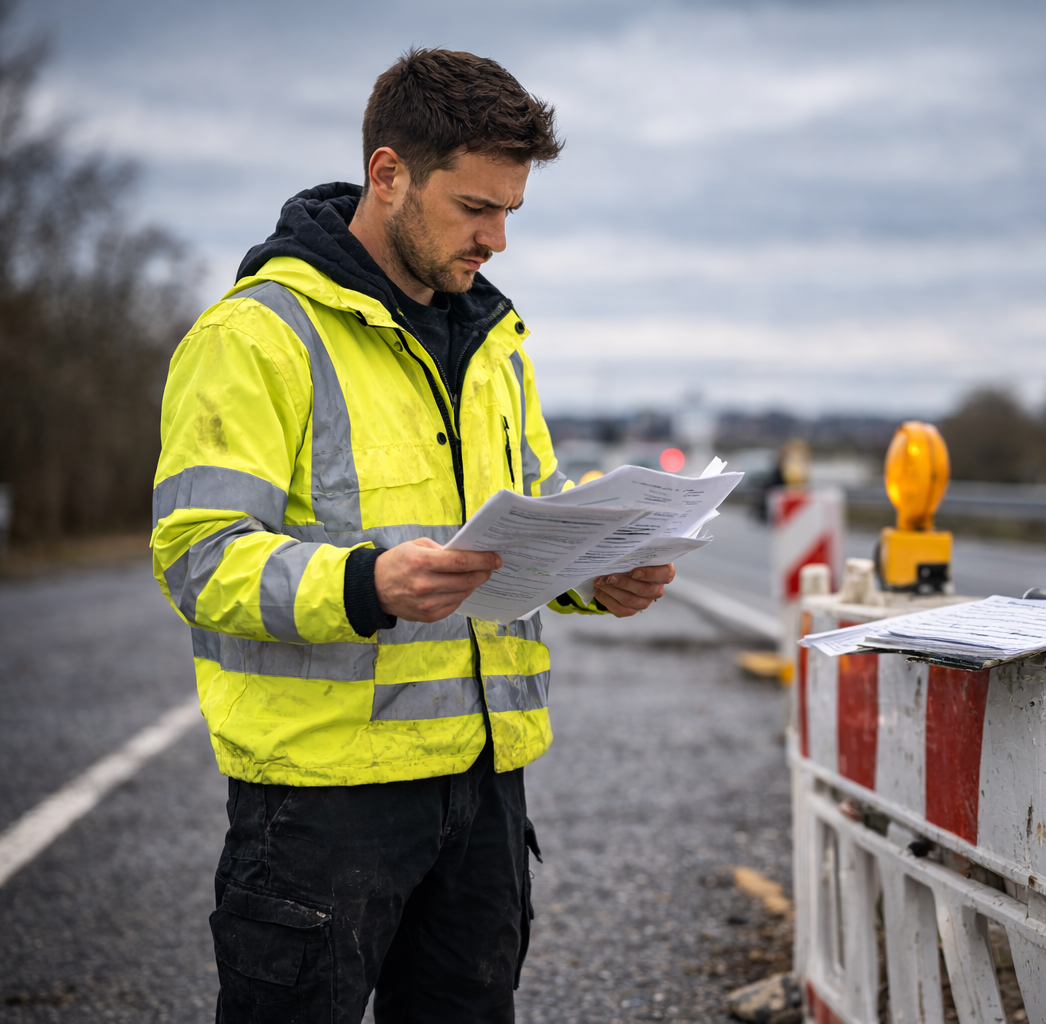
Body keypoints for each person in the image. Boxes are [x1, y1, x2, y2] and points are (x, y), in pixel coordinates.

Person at [150, 48, 672, 1023]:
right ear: (388, 175)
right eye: (478, 208)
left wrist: (594, 574)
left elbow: (528, 507)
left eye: (512, 210)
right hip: (322, 800)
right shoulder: (255, 338)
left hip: (483, 788)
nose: (499, 239)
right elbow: (200, 557)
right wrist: (366, 585)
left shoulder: (494, 342)